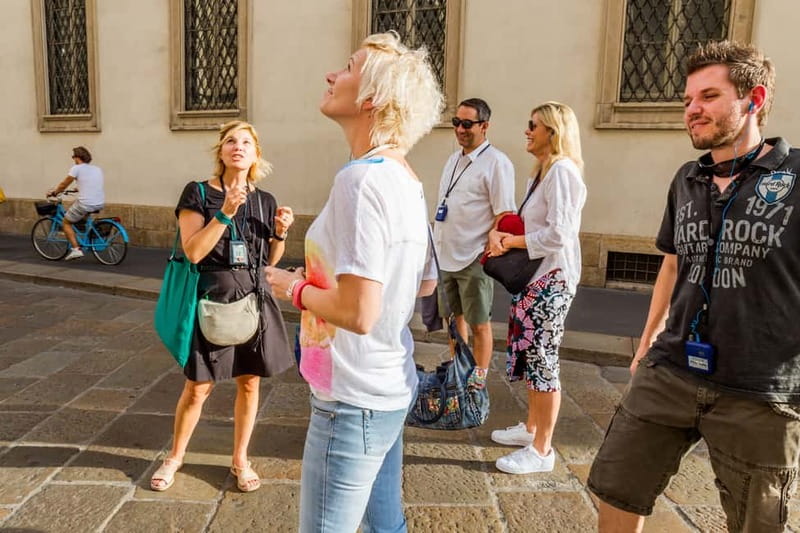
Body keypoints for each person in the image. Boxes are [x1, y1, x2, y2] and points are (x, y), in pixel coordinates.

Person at [588, 41, 800, 532]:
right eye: (687, 100)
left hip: (760, 392)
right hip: (672, 370)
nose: (693, 109)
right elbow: (671, 263)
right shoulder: (688, 179)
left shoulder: (796, 176)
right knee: (617, 487)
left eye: (708, 96)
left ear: (754, 98)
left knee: (756, 522)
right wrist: (647, 341)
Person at [265, 32, 441, 532]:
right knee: (386, 526)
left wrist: (291, 287)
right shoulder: (405, 177)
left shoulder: (360, 181)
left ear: (373, 99)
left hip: (351, 398)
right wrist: (323, 281)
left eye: (347, 67)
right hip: (386, 386)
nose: (330, 75)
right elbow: (422, 286)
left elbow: (361, 312)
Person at [150, 120, 294, 493]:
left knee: (249, 384)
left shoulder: (265, 200)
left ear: (256, 154)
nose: (238, 147)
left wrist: (280, 232)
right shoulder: (198, 193)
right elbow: (193, 251)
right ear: (221, 151)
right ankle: (175, 456)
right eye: (231, 141)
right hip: (211, 298)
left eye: (246, 142)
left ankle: (240, 460)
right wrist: (226, 212)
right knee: (198, 387)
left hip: (254, 299)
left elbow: (269, 258)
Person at [485, 102, 586, 474]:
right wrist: (502, 233)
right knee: (530, 356)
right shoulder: (542, 174)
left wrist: (510, 244)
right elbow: (530, 225)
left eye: (534, 125)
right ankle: (531, 429)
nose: (527, 131)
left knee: (543, 360)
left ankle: (542, 450)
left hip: (552, 280)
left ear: (553, 132)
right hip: (536, 280)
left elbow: (560, 234)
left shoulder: (562, 172)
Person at [432, 97, 516, 389]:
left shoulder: (497, 163)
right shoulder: (453, 160)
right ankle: (458, 368)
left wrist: (488, 251)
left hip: (473, 256)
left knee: (479, 322)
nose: (460, 129)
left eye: (467, 124)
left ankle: (478, 376)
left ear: (484, 126)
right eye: (456, 123)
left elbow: (504, 214)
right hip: (446, 254)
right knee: (454, 321)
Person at [47, 146, 105, 261]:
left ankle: (76, 249)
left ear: (77, 157)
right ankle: (85, 239)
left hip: (86, 203)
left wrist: (54, 192)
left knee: (66, 222)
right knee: (79, 215)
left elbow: (64, 184)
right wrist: (77, 189)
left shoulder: (76, 168)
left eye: (73, 156)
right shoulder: (96, 169)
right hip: (99, 202)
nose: (73, 159)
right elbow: (92, 183)